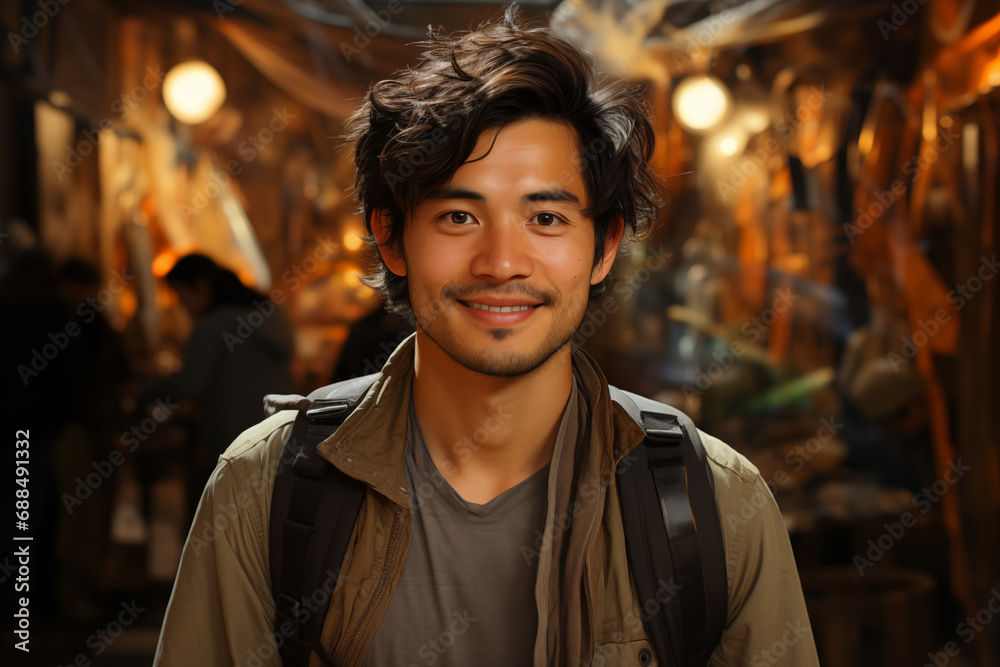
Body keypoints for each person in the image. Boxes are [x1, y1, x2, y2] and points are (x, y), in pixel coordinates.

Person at [154, 11, 819, 667]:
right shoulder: (264, 488)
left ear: (604, 246)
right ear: (391, 235)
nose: (502, 262)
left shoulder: (717, 505)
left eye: (547, 217)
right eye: (459, 214)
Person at [139, 253, 294, 516]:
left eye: (179, 294)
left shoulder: (212, 326)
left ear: (200, 286)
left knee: (225, 521)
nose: (181, 305)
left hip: (231, 443)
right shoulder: (272, 317)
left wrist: (144, 389)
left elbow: (191, 384)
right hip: (279, 437)